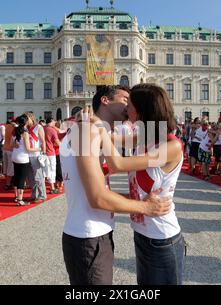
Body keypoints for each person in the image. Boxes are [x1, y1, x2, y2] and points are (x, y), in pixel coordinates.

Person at [60, 85, 172, 285]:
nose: (129, 104)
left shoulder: (93, 130)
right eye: (125, 99)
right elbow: (98, 197)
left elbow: (156, 134)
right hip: (88, 234)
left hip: (92, 232)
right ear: (105, 100)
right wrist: (146, 207)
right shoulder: (87, 131)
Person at [126, 84, 186, 285]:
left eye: (129, 104)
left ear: (142, 110)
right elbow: (112, 139)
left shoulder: (171, 146)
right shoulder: (145, 137)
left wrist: (96, 132)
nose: (126, 109)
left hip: (162, 238)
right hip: (143, 234)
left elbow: (117, 164)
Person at [11, 115, 41, 206]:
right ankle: (20, 200)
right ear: (26, 122)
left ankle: (16, 197)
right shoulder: (25, 133)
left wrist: (16, 145)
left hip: (15, 155)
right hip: (23, 157)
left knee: (16, 177)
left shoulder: (14, 130)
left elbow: (11, 144)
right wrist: (39, 149)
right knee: (21, 179)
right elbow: (28, 149)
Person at [24, 112, 47, 204]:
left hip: (36, 154)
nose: (26, 121)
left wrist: (44, 153)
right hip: (26, 155)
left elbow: (43, 141)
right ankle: (34, 194)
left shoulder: (38, 127)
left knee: (38, 176)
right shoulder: (25, 129)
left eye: (27, 118)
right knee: (30, 178)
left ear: (31, 118)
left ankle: (42, 195)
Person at [44, 118, 61, 194]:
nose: (54, 123)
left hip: (43, 152)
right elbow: (57, 143)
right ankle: (52, 188)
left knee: (45, 170)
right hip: (51, 152)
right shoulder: (52, 130)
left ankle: (47, 186)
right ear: (51, 122)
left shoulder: (42, 128)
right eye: (54, 121)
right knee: (52, 170)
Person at [2, 119, 16, 190]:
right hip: (11, 149)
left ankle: (7, 182)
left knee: (6, 167)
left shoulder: (6, 126)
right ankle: (8, 184)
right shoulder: (14, 127)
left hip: (5, 148)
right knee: (10, 168)